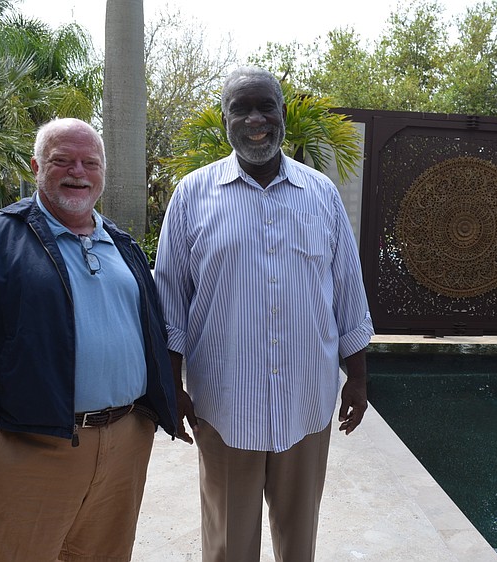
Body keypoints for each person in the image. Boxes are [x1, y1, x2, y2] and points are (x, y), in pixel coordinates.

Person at [0, 117, 179, 562]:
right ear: (36, 167)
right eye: (61, 160)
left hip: (125, 443)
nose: (77, 172)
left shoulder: (122, 245)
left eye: (90, 162)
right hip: (29, 449)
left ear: (103, 170)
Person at [155, 66, 374, 562]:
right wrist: (173, 387)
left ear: (281, 115)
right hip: (227, 406)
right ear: (225, 121)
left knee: (299, 541)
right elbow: (169, 299)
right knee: (229, 542)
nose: (255, 119)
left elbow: (348, 293)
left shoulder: (321, 195)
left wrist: (357, 379)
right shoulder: (191, 196)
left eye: (265, 106)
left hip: (307, 402)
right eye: (241, 108)